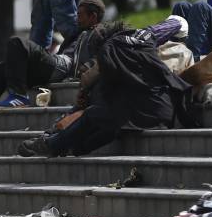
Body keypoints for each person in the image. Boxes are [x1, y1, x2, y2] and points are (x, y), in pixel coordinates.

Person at [17, 20, 193, 158]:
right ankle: (73, 148)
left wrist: (83, 98)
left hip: (146, 112)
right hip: (166, 111)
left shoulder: (108, 51)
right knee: (111, 123)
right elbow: (176, 22)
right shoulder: (142, 36)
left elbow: (103, 93)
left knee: (94, 113)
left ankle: (53, 144)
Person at [0, 0, 106, 132]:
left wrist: (87, 67)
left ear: (93, 16)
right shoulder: (78, 32)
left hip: (63, 67)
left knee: (18, 42)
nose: (77, 18)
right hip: (54, 65)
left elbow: (102, 56)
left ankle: (19, 96)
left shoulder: (100, 33)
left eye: (81, 15)